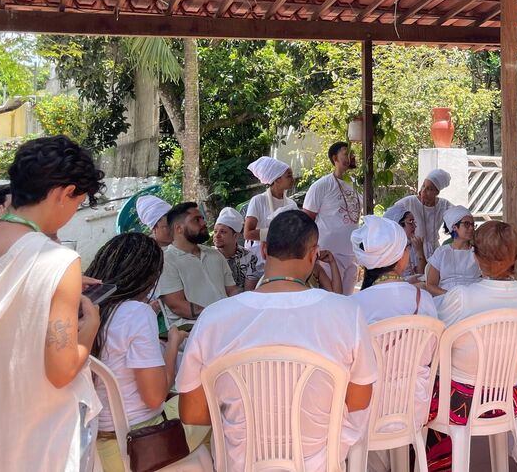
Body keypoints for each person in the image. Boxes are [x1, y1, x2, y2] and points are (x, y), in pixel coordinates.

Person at [177, 210, 378, 471]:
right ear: (313, 254)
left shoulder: (213, 318)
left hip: (241, 464)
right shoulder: (347, 313)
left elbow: (192, 414)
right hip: (318, 463)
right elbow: (359, 402)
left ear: (263, 250)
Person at [0, 135, 105, 471]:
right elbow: (62, 371)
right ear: (65, 193)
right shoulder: (59, 261)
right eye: (78, 202)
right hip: (36, 444)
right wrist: (90, 325)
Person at [83, 233, 208, 472]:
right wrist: (173, 343)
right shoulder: (137, 313)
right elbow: (154, 397)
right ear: (149, 278)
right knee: (210, 404)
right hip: (142, 445)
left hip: (96, 448)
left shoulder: (84, 310)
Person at [426, 221, 517, 472]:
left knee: (420, 388)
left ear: (476, 257)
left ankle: (438, 464)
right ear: (516, 257)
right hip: (511, 398)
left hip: (460, 402)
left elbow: (432, 332)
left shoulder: (462, 297)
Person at [350, 215, 438, 439]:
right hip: (414, 408)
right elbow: (431, 353)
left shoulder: (352, 307)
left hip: (365, 412)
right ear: (401, 257)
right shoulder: (424, 299)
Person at [156, 202, 241, 329]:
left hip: (227, 323)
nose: (204, 223)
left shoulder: (214, 254)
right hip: (193, 331)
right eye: (196, 220)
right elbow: (177, 306)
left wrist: (244, 303)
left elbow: (232, 290)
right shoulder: (166, 261)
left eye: (202, 218)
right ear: (178, 228)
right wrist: (219, 317)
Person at [303, 142, 363, 295]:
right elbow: (306, 221)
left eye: (352, 153)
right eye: (346, 153)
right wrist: (311, 251)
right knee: (330, 299)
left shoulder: (357, 185)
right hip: (329, 255)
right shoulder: (321, 185)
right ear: (335, 158)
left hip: (351, 255)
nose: (351, 156)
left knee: (347, 300)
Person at [243, 155, 296, 264]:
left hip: (285, 256)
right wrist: (277, 233)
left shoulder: (291, 204)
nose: (293, 179)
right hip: (261, 259)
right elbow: (247, 233)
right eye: (289, 176)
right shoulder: (258, 201)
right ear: (277, 179)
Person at [392, 169, 453, 262]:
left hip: (434, 252)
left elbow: (460, 216)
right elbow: (390, 216)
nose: (423, 190)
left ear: (437, 192)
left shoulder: (444, 205)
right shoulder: (409, 202)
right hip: (412, 251)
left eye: (429, 189)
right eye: (423, 185)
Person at [423, 206, 480, 296]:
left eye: (473, 224)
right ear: (454, 227)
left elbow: (487, 278)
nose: (471, 228)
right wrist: (451, 295)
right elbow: (431, 285)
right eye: (466, 224)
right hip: (445, 298)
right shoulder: (442, 252)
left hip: (472, 297)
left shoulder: (478, 252)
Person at [213, 207, 262, 291]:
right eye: (215, 231)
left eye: (223, 232)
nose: (217, 236)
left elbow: (249, 293)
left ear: (236, 236)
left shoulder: (249, 258)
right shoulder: (208, 256)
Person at [383, 202, 425, 281]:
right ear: (398, 224)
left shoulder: (413, 245)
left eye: (414, 222)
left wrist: (420, 251)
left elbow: (421, 274)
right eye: (410, 222)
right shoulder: (387, 249)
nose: (415, 226)